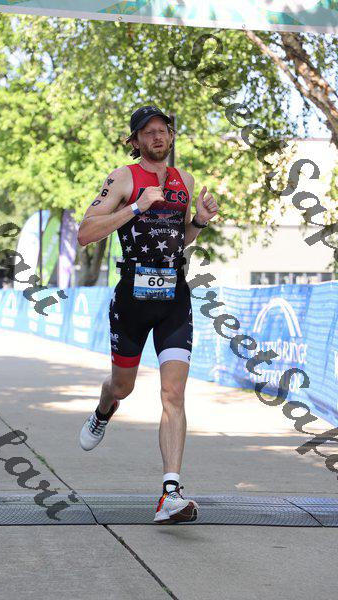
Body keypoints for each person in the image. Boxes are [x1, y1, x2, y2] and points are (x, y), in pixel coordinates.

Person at [77, 105, 218, 524]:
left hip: (174, 297)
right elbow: (85, 233)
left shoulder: (183, 181)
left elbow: (177, 240)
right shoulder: (124, 178)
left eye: (163, 130)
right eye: (148, 132)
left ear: (171, 137)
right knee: (123, 386)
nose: (157, 137)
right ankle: (103, 410)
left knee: (173, 394)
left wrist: (199, 222)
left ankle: (170, 493)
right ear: (136, 140)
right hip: (132, 299)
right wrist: (136, 207)